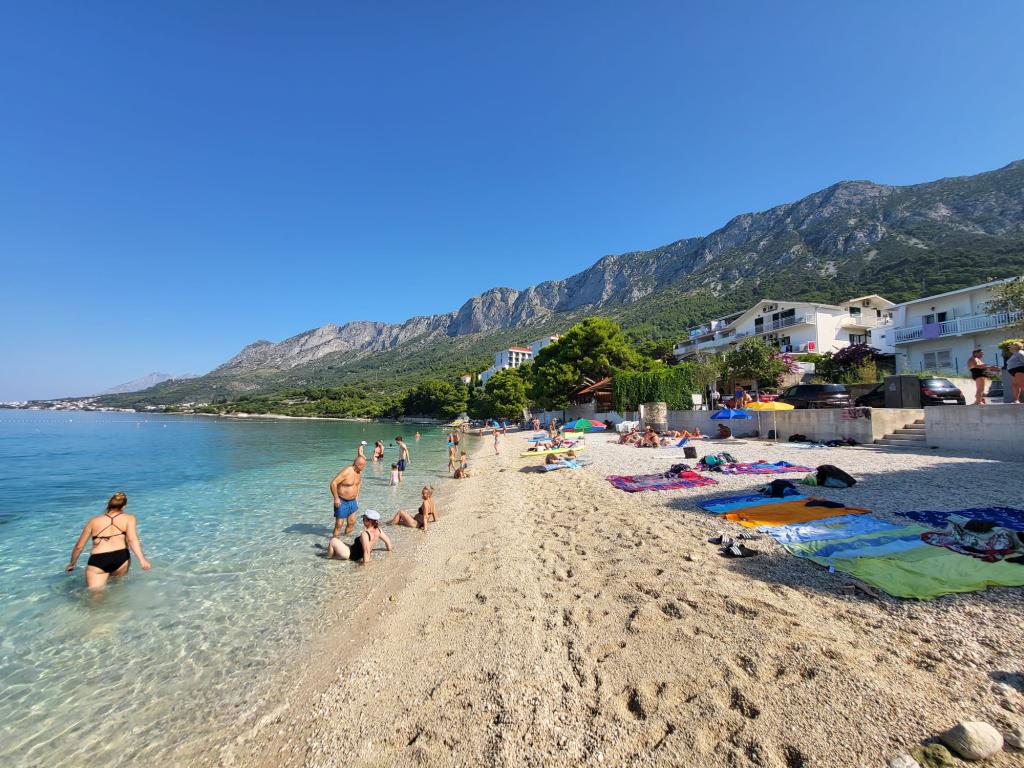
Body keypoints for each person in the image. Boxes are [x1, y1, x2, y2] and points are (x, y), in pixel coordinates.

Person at [66, 492, 152, 589]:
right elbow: (132, 540)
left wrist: (72, 563)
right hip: (121, 557)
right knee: (118, 589)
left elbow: (79, 546)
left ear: (108, 504)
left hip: (99, 560)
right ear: (124, 506)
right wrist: (142, 560)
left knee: (96, 595)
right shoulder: (130, 518)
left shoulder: (93, 521)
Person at [327, 510, 392, 563]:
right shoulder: (378, 530)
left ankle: (328, 558)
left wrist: (365, 566)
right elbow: (388, 543)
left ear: (369, 521)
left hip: (351, 555)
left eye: (364, 519)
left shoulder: (365, 534)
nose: (363, 520)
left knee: (333, 540)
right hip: (358, 553)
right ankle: (333, 553)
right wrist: (389, 550)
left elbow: (366, 551)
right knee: (343, 543)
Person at [330, 456, 366, 538]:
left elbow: (358, 483)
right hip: (342, 501)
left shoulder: (359, 472)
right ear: (357, 464)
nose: (364, 467)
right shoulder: (347, 471)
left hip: (353, 501)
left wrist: (357, 496)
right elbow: (333, 483)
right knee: (339, 524)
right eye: (363, 465)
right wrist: (336, 498)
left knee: (351, 522)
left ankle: (347, 540)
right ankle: (334, 542)